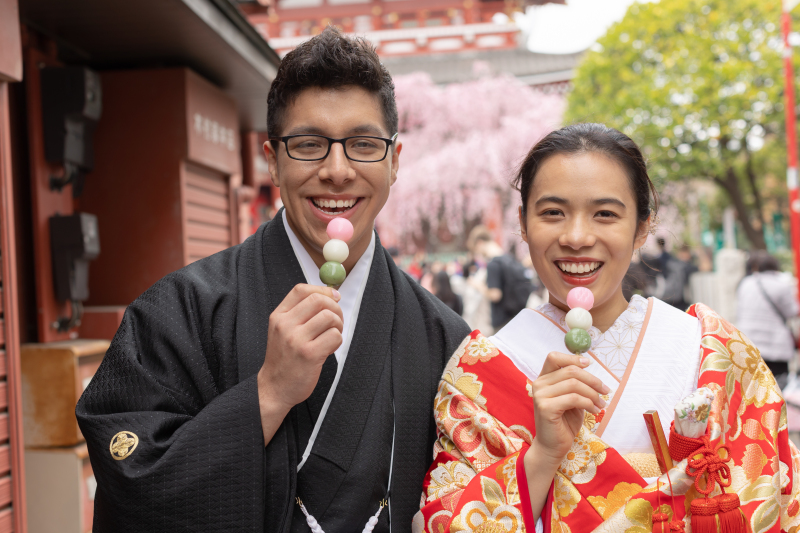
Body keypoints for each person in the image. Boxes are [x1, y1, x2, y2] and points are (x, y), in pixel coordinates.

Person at [76, 27, 470, 533]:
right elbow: (131, 484)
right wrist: (267, 394)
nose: (337, 170)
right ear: (272, 161)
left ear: (394, 162)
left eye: (363, 144)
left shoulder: (444, 340)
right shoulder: (180, 312)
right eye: (308, 144)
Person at [414, 123, 800, 532]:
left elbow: (774, 493)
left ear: (642, 227)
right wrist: (543, 455)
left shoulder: (710, 349)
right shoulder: (479, 373)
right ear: (524, 225)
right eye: (552, 213)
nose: (577, 237)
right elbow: (447, 519)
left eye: (605, 214)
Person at [736, 250, 797, 387]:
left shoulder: (745, 283)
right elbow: (792, 311)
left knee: (755, 386)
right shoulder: (781, 285)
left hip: (749, 343)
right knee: (777, 385)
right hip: (775, 344)